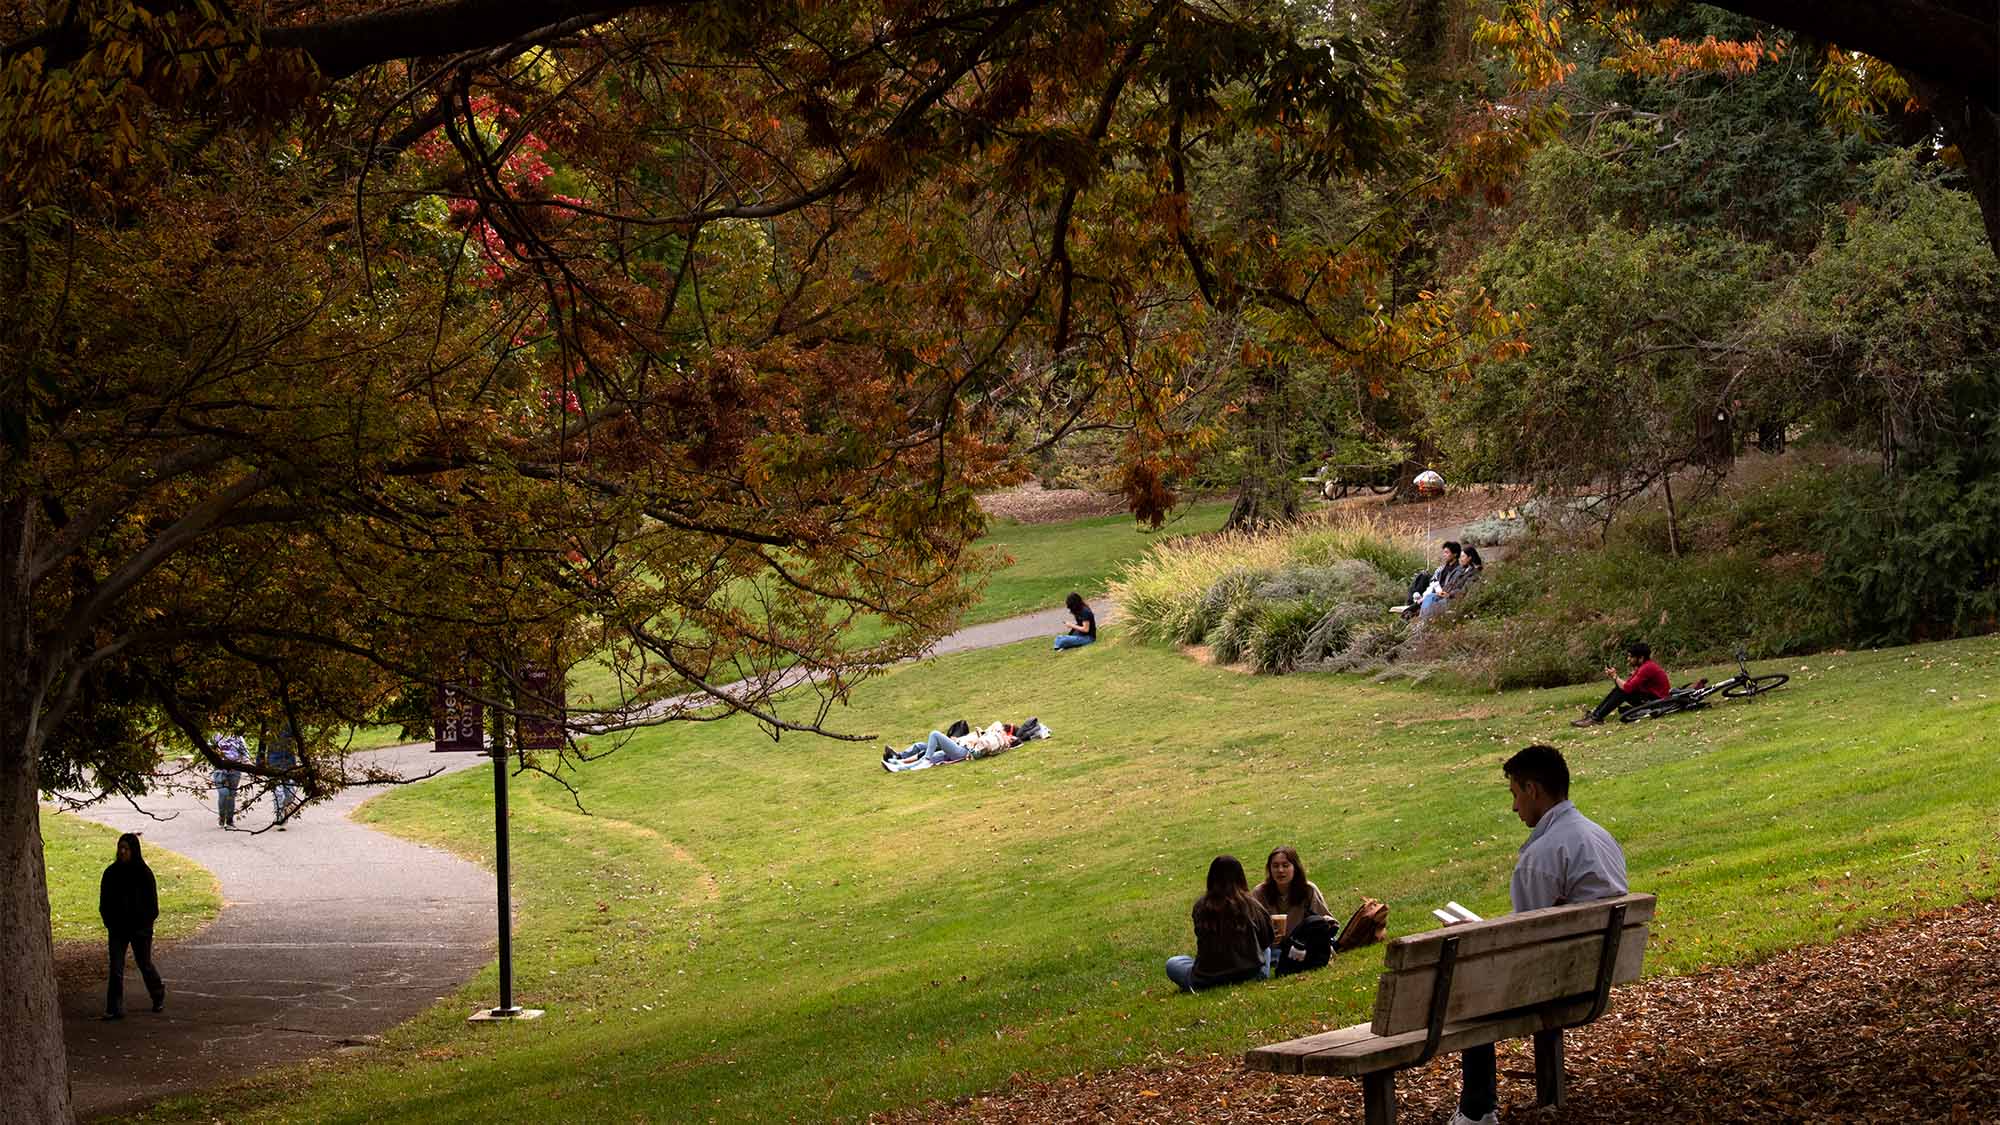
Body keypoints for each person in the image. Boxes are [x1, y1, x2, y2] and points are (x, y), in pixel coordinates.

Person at [1449, 744, 1627, 1125]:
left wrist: (1478, 935)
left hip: (1554, 983)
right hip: (1596, 973)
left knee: (1471, 991)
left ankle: (1477, 1110)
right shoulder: (1600, 836)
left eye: (1515, 795)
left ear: (1533, 791)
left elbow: (1523, 945)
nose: (1514, 808)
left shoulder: (1542, 855)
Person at [1165, 855, 1275, 992]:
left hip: (1208, 978)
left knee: (1174, 962)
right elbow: (1267, 940)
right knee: (1268, 951)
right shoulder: (1252, 905)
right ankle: (1259, 974)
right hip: (1250, 974)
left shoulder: (1201, 906)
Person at [99, 832, 165, 1019]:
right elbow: (105, 902)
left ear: (133, 851)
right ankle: (114, 1008)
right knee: (116, 968)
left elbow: (152, 906)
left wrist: (144, 924)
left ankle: (157, 993)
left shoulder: (144, 874)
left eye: (126, 849)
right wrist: (109, 922)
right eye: (120, 848)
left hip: (140, 929)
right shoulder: (111, 873)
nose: (122, 852)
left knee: (144, 964)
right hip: (118, 928)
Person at [1251, 845, 1336, 975]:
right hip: (1272, 947)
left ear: (1295, 867)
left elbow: (1324, 921)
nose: (1280, 870)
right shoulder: (1260, 893)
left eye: (1285, 865)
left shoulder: (1308, 890)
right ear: (1269, 869)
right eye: (1275, 866)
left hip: (1300, 945)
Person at [1572, 641, 1670, 727]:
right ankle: (1595, 715)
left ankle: (1596, 718)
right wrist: (1614, 677)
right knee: (1619, 689)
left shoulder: (1647, 668)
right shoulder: (1644, 666)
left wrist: (1615, 677)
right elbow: (1627, 684)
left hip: (1657, 702)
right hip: (1650, 698)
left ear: (1641, 658)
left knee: (1622, 691)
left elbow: (1627, 688)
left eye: (1631, 657)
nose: (1628, 659)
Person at [882, 721, 1015, 771]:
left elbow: (978, 752)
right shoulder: (994, 737)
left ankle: (907, 761)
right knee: (927, 752)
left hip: (962, 751)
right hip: (960, 748)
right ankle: (898, 767)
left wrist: (972, 742)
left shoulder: (997, 738)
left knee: (934, 734)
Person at [263, 726, 300, 829]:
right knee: (278, 793)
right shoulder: (268, 724)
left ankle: (284, 811)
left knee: (290, 794)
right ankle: (280, 818)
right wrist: (260, 762)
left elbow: (299, 741)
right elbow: (262, 744)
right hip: (273, 763)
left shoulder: (290, 725)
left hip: (289, 763)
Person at [1416, 541, 1463, 619]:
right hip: (1436, 593)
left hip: (1443, 596)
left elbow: (1454, 586)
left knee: (1428, 597)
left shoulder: (1458, 570)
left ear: (1455, 554)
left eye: (1447, 553)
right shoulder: (1442, 568)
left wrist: (1446, 593)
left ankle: (1422, 619)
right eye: (1444, 552)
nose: (1444, 555)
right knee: (1422, 576)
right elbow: (1433, 582)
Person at [212, 733, 248, 828]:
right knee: (224, 793)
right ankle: (222, 816)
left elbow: (245, 753)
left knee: (231, 795)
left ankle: (229, 820)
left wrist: (247, 765)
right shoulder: (215, 736)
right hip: (220, 769)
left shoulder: (238, 737)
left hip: (235, 769)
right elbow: (209, 752)